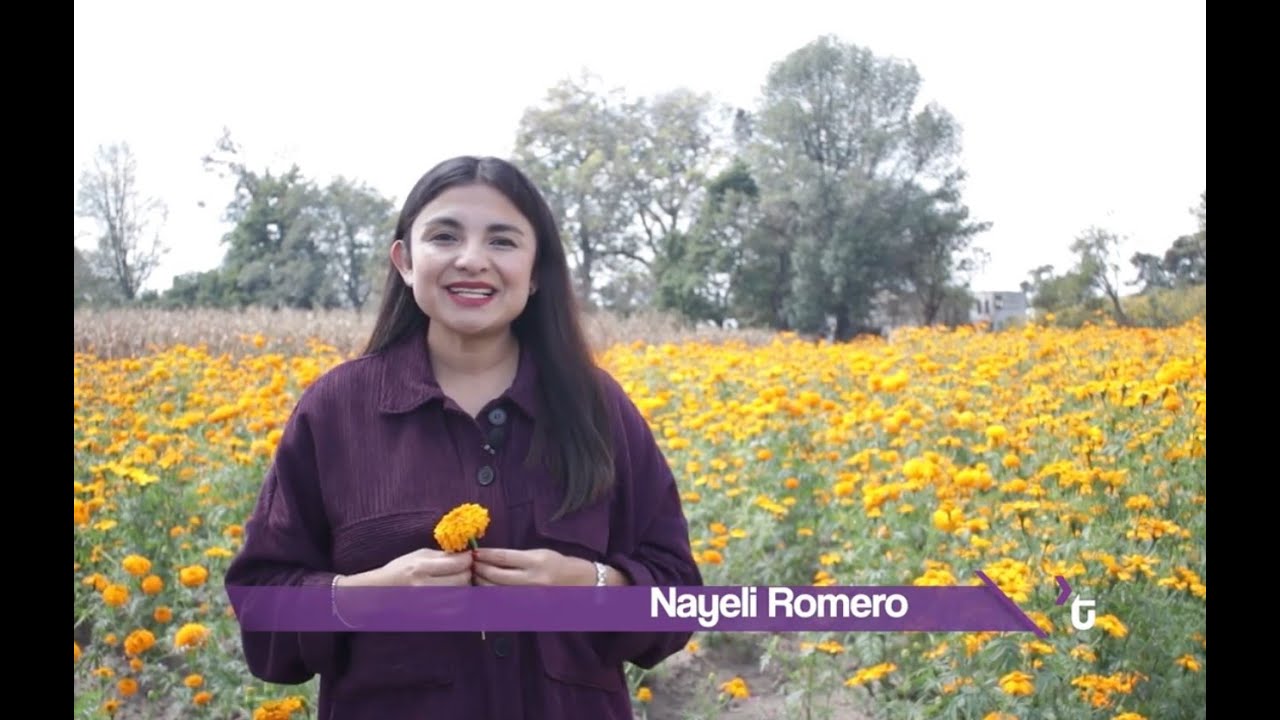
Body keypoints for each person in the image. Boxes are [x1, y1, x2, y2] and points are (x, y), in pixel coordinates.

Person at [223, 155, 703, 719]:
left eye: (502, 242)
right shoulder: (335, 412)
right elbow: (261, 609)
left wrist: (592, 584)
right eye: (444, 236)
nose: (472, 260)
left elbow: (679, 602)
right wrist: (362, 597)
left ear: (537, 269)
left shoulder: (597, 409)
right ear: (404, 261)